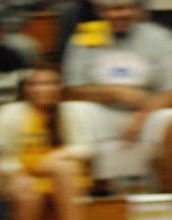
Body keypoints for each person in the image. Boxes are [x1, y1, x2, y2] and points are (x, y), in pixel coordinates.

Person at [62, 0, 172, 190]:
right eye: (109, 10)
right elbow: (71, 89)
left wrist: (141, 118)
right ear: (99, 12)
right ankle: (92, 196)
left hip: (148, 113)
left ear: (136, 9)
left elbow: (170, 90)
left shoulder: (159, 37)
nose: (116, 15)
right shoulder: (86, 35)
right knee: (73, 110)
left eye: (123, 8)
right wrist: (111, 92)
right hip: (102, 114)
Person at [0, 66, 98, 220]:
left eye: (51, 84)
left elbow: (86, 148)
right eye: (38, 84)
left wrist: (54, 157)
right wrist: (16, 173)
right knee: (31, 192)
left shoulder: (71, 111)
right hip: (16, 170)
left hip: (55, 170)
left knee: (65, 168)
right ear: (26, 89)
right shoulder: (7, 113)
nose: (45, 89)